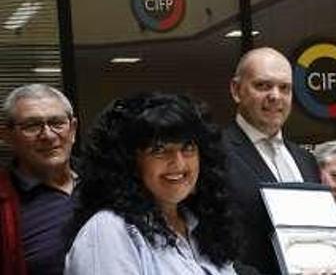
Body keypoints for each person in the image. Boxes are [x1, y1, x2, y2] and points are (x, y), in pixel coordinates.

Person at [65, 93, 236, 274]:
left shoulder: (199, 224)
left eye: (188, 148)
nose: (179, 163)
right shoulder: (109, 231)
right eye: (159, 150)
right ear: (129, 161)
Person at [222, 47, 321, 275]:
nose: (275, 95)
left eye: (284, 88)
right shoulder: (214, 154)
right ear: (236, 90)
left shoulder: (306, 160)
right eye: (263, 86)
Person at [0, 84, 78, 275]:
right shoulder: (4, 202)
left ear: (73, 129)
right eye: (32, 126)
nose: (48, 135)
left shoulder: (107, 183)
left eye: (57, 123)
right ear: (7, 136)